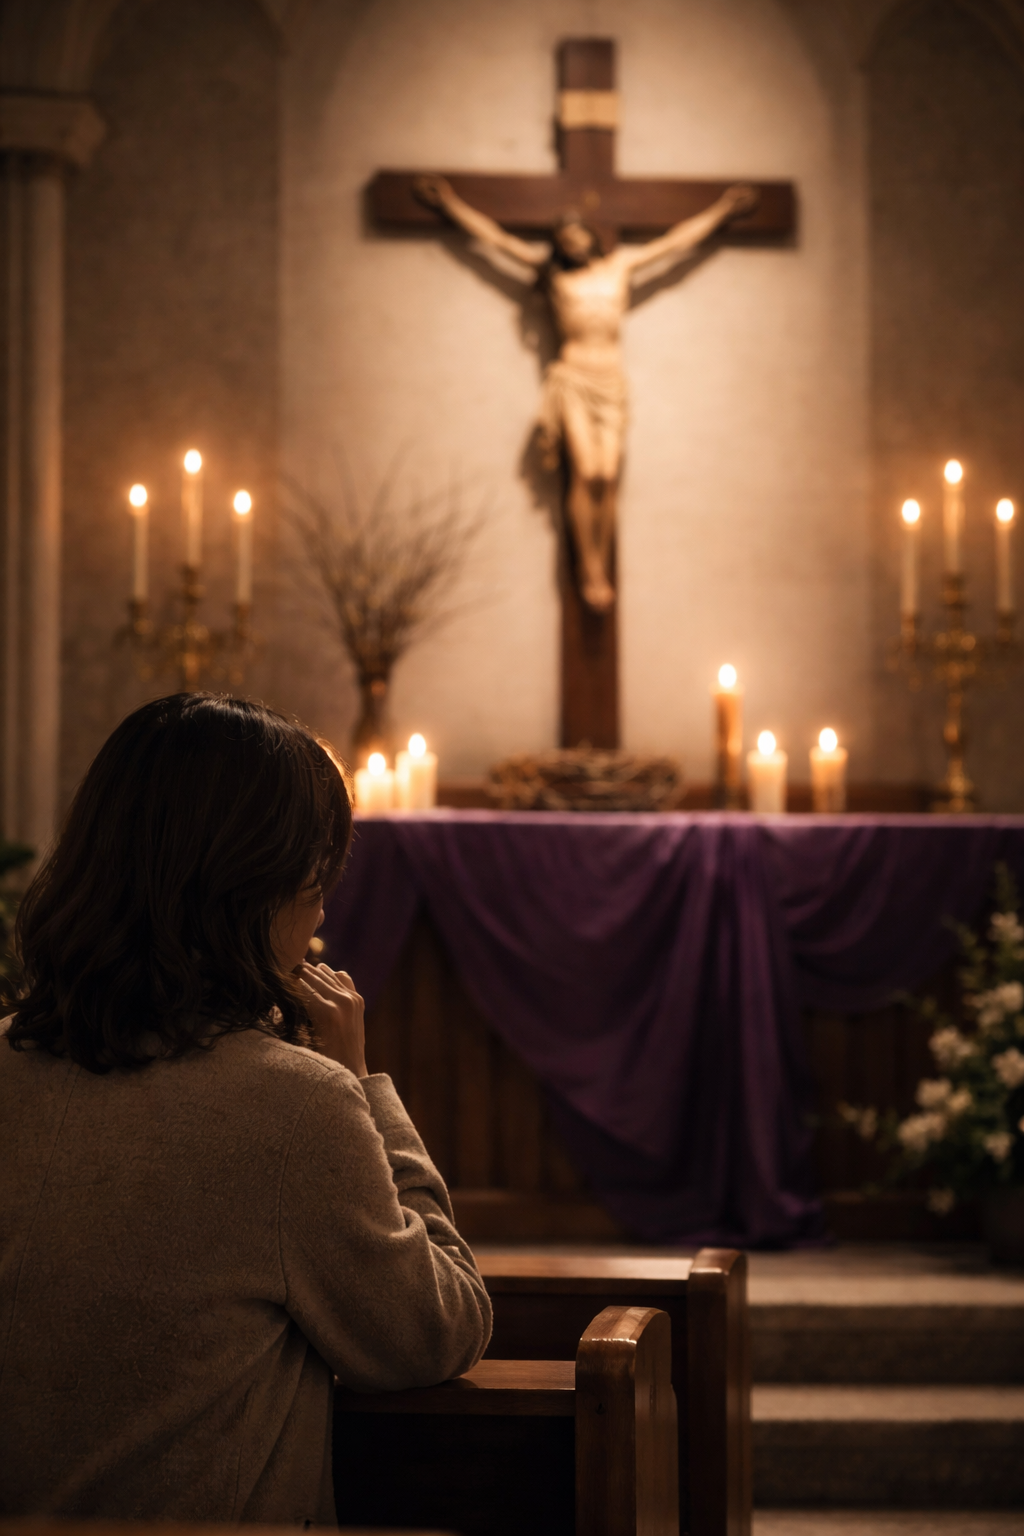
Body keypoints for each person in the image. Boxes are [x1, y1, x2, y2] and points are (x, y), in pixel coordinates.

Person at [0, 693, 491, 1524]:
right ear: (253, 893)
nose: (323, 914)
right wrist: (363, 1084)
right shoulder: (295, 1107)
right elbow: (435, 1331)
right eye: (315, 882)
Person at [414, 174, 758, 612]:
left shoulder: (619, 267)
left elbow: (674, 244)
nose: (572, 243)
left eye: (577, 234)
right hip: (573, 379)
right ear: (559, 245)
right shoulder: (553, 275)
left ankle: (602, 562)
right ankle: (589, 569)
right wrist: (450, 205)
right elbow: (497, 240)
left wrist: (721, 211)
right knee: (586, 472)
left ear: (590, 236)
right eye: (564, 239)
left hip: (610, 382)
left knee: (609, 477)